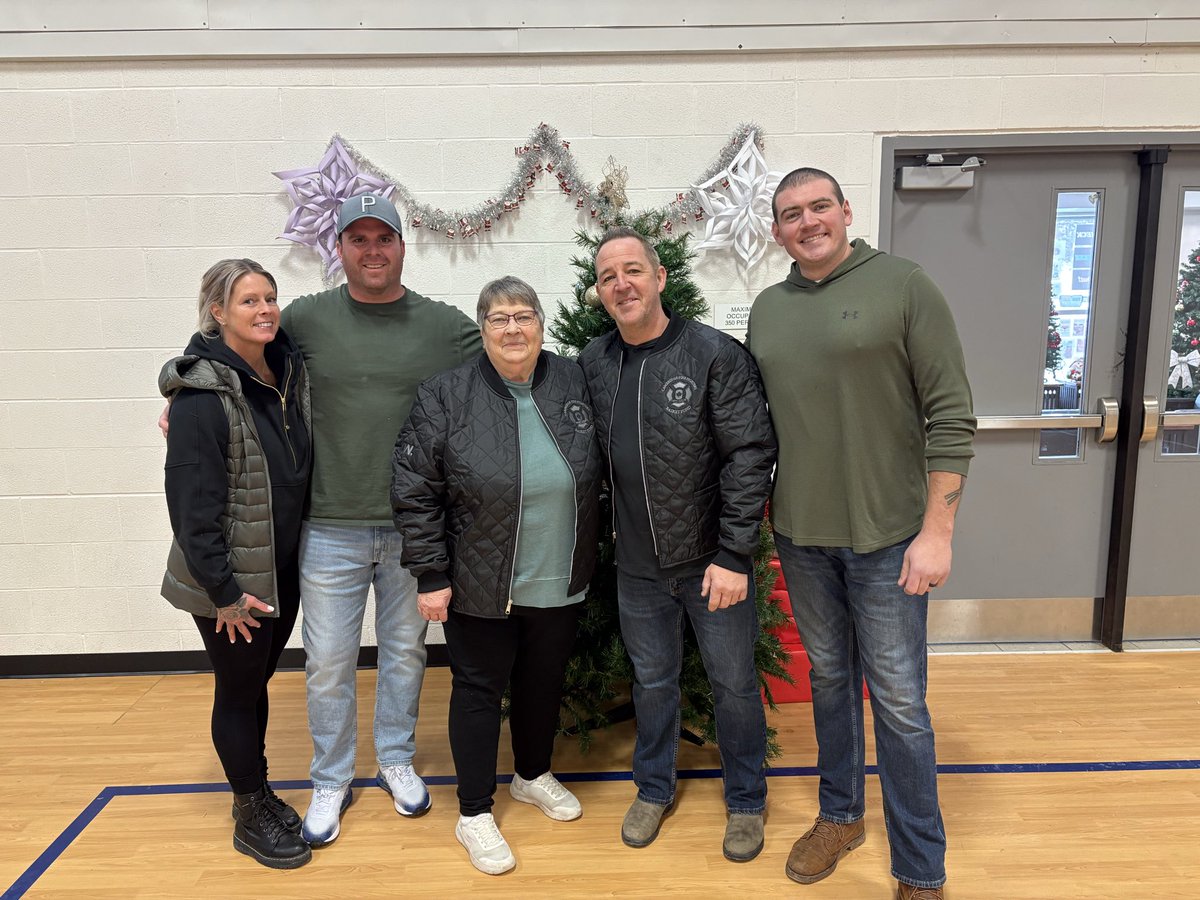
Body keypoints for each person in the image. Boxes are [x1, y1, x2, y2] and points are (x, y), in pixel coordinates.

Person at [161, 193, 482, 847]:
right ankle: (331, 776)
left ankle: (394, 759)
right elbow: (225, 354)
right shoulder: (302, 320)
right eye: (357, 239)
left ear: (400, 246)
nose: (371, 250)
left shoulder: (446, 327)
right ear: (339, 249)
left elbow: (507, 365)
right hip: (326, 528)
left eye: (382, 238)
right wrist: (177, 390)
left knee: (402, 656)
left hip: (409, 530)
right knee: (329, 663)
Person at [747, 168, 976, 900]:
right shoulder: (768, 310)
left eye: (820, 207)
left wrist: (937, 530)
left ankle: (920, 868)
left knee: (901, 702)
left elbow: (952, 417)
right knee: (830, 680)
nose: (808, 221)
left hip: (890, 537)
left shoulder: (905, 286)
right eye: (791, 214)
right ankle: (840, 816)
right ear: (776, 230)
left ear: (846, 211)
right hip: (803, 535)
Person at [578, 227, 777, 862]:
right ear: (600, 293)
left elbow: (750, 454)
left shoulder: (715, 354)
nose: (622, 284)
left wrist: (734, 554)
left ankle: (746, 799)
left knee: (734, 686)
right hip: (637, 570)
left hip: (711, 566)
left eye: (633, 270)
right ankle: (653, 788)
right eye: (609, 277)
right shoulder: (594, 362)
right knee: (653, 682)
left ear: (660, 278)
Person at [391, 276, 602, 875]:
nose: (513, 329)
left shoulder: (572, 380)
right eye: (499, 318)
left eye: (524, 316)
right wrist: (430, 573)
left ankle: (532, 775)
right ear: (482, 329)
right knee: (479, 691)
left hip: (559, 575)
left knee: (543, 683)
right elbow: (414, 490)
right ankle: (475, 811)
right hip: (482, 581)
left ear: (541, 324)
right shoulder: (446, 394)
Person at [160, 258, 312, 869]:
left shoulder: (283, 367)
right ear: (217, 312)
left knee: (253, 685)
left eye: (270, 297)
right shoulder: (201, 395)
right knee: (239, 688)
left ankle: (259, 788)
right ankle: (249, 808)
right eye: (248, 301)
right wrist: (223, 590)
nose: (265, 310)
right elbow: (191, 508)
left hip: (280, 566)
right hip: (232, 581)